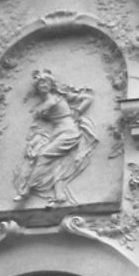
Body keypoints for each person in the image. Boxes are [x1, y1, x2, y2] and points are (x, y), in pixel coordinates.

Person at [13, 69, 98, 205]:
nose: (43, 86)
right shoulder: (40, 106)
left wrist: (77, 113)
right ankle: (59, 192)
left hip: (69, 132)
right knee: (56, 162)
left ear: (51, 84)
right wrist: (32, 142)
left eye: (46, 82)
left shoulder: (61, 97)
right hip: (55, 133)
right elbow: (39, 127)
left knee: (44, 156)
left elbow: (88, 99)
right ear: (37, 87)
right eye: (40, 84)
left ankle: (26, 189)